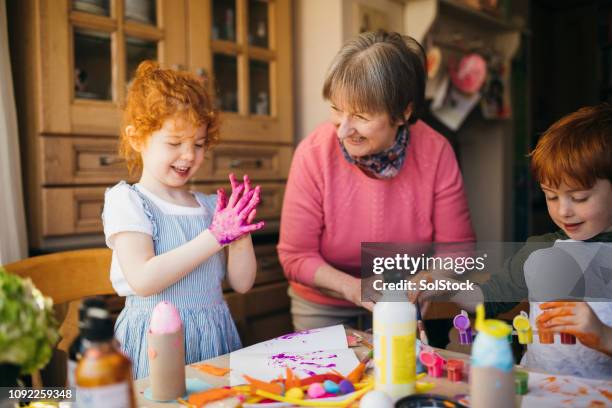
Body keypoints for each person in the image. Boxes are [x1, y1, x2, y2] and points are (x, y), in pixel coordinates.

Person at [277, 30, 475, 331]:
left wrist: (426, 281)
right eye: (336, 109)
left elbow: (457, 251)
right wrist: (355, 288)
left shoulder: (436, 152)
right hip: (324, 307)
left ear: (402, 112)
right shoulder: (313, 153)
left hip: (402, 303)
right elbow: (295, 256)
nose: (343, 131)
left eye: (361, 116)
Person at [102, 61, 264, 379]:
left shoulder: (208, 206)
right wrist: (215, 237)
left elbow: (243, 285)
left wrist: (240, 236)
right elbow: (145, 280)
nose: (189, 155)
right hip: (157, 344)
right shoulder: (128, 201)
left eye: (199, 144)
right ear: (137, 139)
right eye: (175, 143)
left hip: (213, 340)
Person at [430, 104, 612, 379]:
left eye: (579, 198)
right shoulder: (539, 251)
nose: (563, 211)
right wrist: (440, 284)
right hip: (535, 391)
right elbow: (488, 298)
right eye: (551, 197)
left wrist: (602, 335)